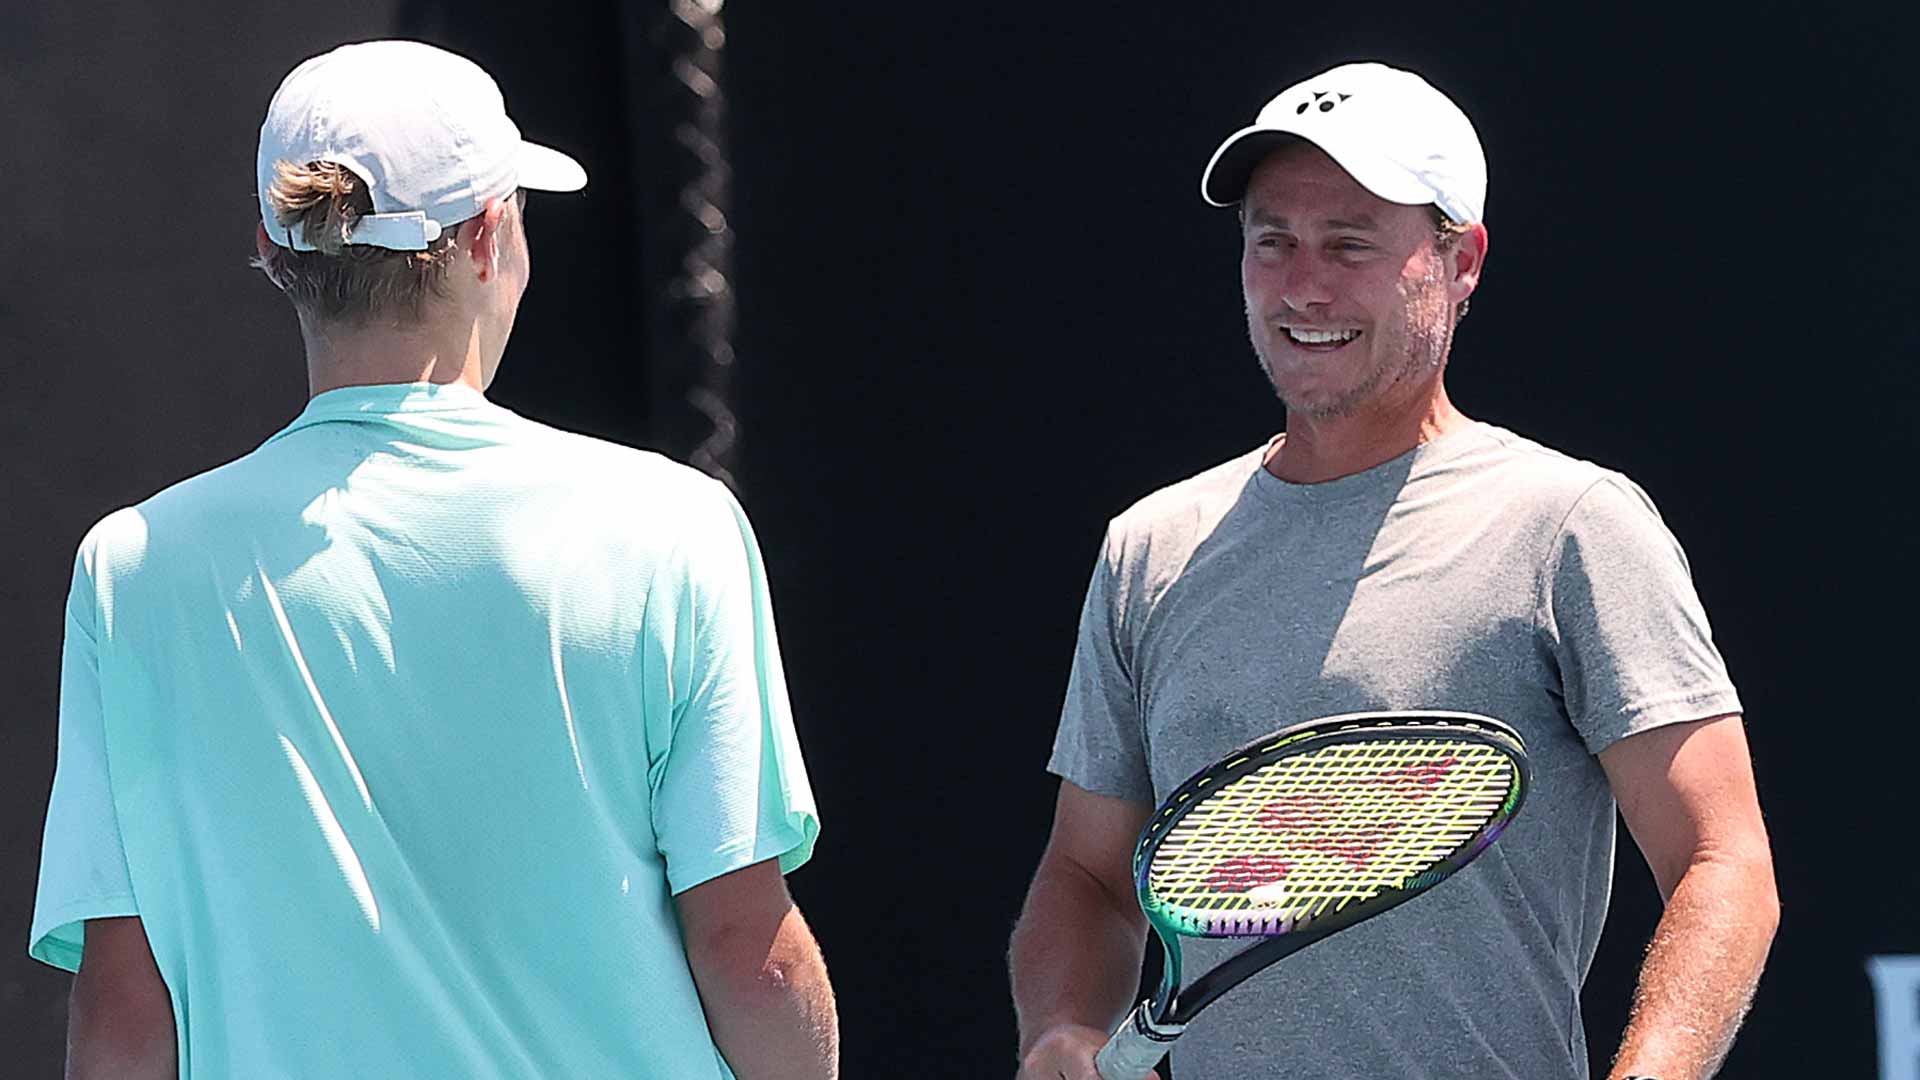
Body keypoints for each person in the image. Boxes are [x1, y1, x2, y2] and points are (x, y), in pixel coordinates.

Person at [29, 40, 836, 1080]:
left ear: (277, 254)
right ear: (491, 236)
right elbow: (751, 959)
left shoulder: (131, 571)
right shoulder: (673, 525)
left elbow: (123, 1008)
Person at [1009, 62, 1776, 1080]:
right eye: (1271, 241)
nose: (1304, 286)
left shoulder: (1573, 527)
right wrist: (1060, 1027)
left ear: (1461, 263)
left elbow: (1724, 865)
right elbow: (1088, 874)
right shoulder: (1151, 546)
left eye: (1352, 246)